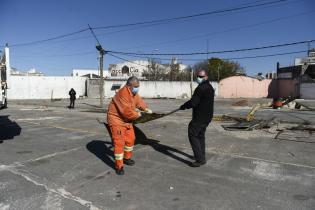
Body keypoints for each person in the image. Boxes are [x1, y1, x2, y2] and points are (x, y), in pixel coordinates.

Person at [107, 76, 152, 175]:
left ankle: (126, 158)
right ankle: (119, 166)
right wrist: (139, 115)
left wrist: (145, 109)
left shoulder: (133, 93)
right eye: (136, 86)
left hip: (126, 121)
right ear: (129, 86)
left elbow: (139, 102)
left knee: (131, 139)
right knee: (119, 143)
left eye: (138, 86)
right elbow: (126, 112)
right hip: (117, 120)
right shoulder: (123, 93)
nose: (137, 88)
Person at [179, 69, 214, 167]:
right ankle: (201, 156)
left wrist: (184, 106)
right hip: (207, 117)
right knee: (200, 136)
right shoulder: (210, 87)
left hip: (199, 118)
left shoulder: (201, 88)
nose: (199, 78)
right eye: (198, 76)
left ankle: (200, 160)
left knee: (193, 134)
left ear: (206, 77)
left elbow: (193, 102)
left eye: (201, 77)